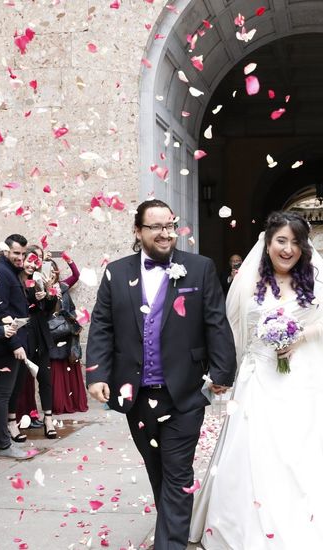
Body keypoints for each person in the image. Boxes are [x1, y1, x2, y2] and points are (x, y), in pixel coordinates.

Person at [188, 211, 323, 549]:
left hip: (302, 380)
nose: (288, 249)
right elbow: (231, 329)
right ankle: (245, 523)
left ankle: (304, 522)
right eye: (281, 240)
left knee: (300, 450)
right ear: (268, 242)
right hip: (256, 378)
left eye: (295, 242)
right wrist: (222, 373)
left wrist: (301, 335)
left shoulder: (316, 281)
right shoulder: (247, 281)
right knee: (253, 449)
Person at [86, 199, 237, 549]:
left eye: (170, 225)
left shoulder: (199, 268)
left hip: (184, 391)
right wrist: (96, 375)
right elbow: (102, 326)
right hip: (135, 393)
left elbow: (216, 322)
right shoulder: (117, 272)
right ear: (138, 232)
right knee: (158, 469)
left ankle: (169, 543)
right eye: (156, 227)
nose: (166, 233)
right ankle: (170, 529)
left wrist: (222, 371)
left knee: (178, 471)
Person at [0, 234, 34, 460]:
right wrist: (15, 343)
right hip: (7, 343)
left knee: (8, 392)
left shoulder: (10, 271)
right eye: (16, 253)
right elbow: (0, 312)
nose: (20, 258)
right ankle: (3, 444)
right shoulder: (0, 272)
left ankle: (4, 441)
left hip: (15, 340)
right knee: (3, 394)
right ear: (5, 251)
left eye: (23, 254)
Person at [13, 245, 58, 438]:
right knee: (19, 381)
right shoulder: (14, 280)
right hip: (24, 335)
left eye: (38, 260)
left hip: (40, 334)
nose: (33, 264)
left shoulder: (38, 279)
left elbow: (47, 311)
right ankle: (12, 422)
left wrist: (47, 295)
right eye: (31, 259)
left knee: (46, 380)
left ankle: (48, 419)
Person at [45, 258, 88, 415]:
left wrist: (68, 258)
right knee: (57, 367)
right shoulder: (41, 290)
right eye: (47, 271)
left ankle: (75, 402)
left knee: (71, 362)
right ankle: (60, 403)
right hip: (53, 333)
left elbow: (76, 275)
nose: (50, 274)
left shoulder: (63, 286)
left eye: (53, 270)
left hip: (69, 332)